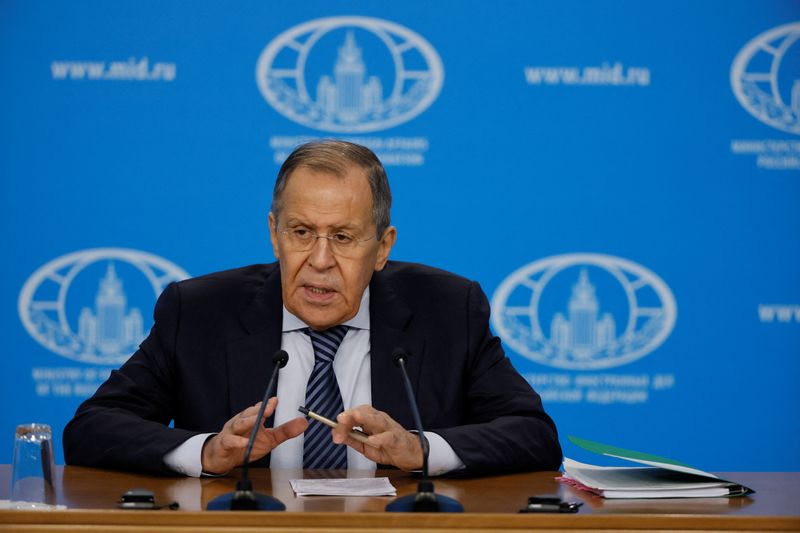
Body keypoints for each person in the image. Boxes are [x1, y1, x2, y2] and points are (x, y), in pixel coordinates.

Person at [63, 140, 562, 477]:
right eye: (301, 233)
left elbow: (533, 435)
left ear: (383, 247)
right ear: (274, 234)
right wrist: (208, 450)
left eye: (343, 238)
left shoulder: (448, 309)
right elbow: (92, 428)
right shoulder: (198, 311)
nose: (319, 261)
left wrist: (420, 449)